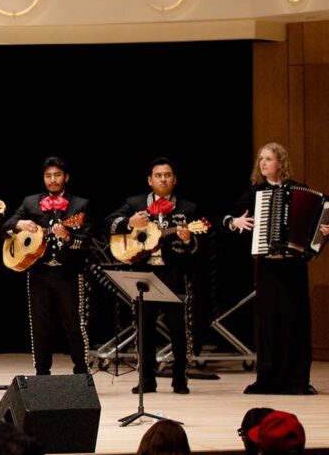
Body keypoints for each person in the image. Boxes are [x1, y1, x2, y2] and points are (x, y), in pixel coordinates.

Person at [223, 142, 329, 395]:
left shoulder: (298, 188)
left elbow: (320, 220)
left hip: (293, 266)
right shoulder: (255, 193)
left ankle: (297, 380)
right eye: (261, 159)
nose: (263, 163)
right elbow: (227, 219)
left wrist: (323, 232)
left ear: (280, 162)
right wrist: (236, 222)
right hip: (268, 268)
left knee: (296, 321)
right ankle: (268, 379)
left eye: (268, 159)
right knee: (269, 323)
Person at [105, 157, 201, 394]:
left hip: (173, 274)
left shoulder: (187, 208)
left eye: (167, 175)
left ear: (175, 179)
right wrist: (129, 221)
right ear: (150, 180)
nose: (163, 179)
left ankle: (180, 380)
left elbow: (196, 249)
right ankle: (147, 380)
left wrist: (188, 239)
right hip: (142, 274)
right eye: (158, 175)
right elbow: (108, 222)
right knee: (143, 328)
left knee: (179, 330)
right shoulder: (135, 203)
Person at [1, 156, 92, 376]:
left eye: (57, 175)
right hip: (38, 273)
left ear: (66, 177)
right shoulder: (30, 202)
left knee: (74, 325)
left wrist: (68, 236)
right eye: (48, 176)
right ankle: (42, 373)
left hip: (68, 273)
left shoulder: (80, 205)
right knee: (40, 326)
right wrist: (18, 223)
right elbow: (5, 228)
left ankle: (82, 372)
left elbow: (87, 241)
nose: (53, 180)